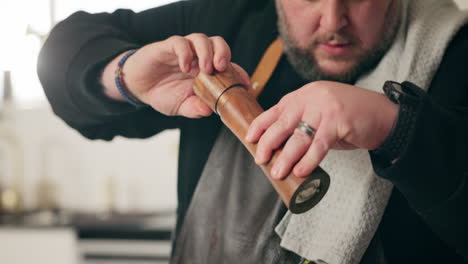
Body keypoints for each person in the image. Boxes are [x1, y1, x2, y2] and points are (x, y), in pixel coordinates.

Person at [37, 0, 468, 263]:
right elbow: (60, 56)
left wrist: (395, 127)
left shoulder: (454, 50)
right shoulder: (232, 17)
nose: (334, 19)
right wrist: (124, 75)